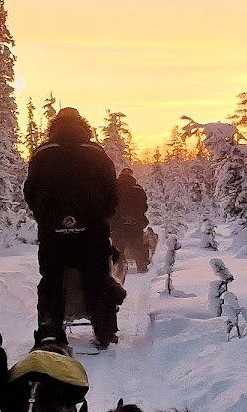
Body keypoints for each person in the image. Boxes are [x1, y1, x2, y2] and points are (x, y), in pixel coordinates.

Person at [25, 108, 121, 350]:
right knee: (98, 276)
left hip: (52, 233)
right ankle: (104, 328)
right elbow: (112, 190)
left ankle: (50, 330)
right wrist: (102, 215)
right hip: (92, 231)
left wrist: (45, 218)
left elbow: (30, 191)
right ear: (83, 125)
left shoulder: (42, 154)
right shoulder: (96, 153)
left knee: (52, 279)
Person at [109, 165, 155, 280]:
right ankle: (142, 269)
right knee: (137, 246)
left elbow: (108, 204)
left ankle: (115, 271)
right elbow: (143, 206)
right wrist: (135, 216)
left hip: (117, 223)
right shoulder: (138, 189)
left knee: (117, 247)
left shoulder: (113, 188)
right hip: (135, 223)